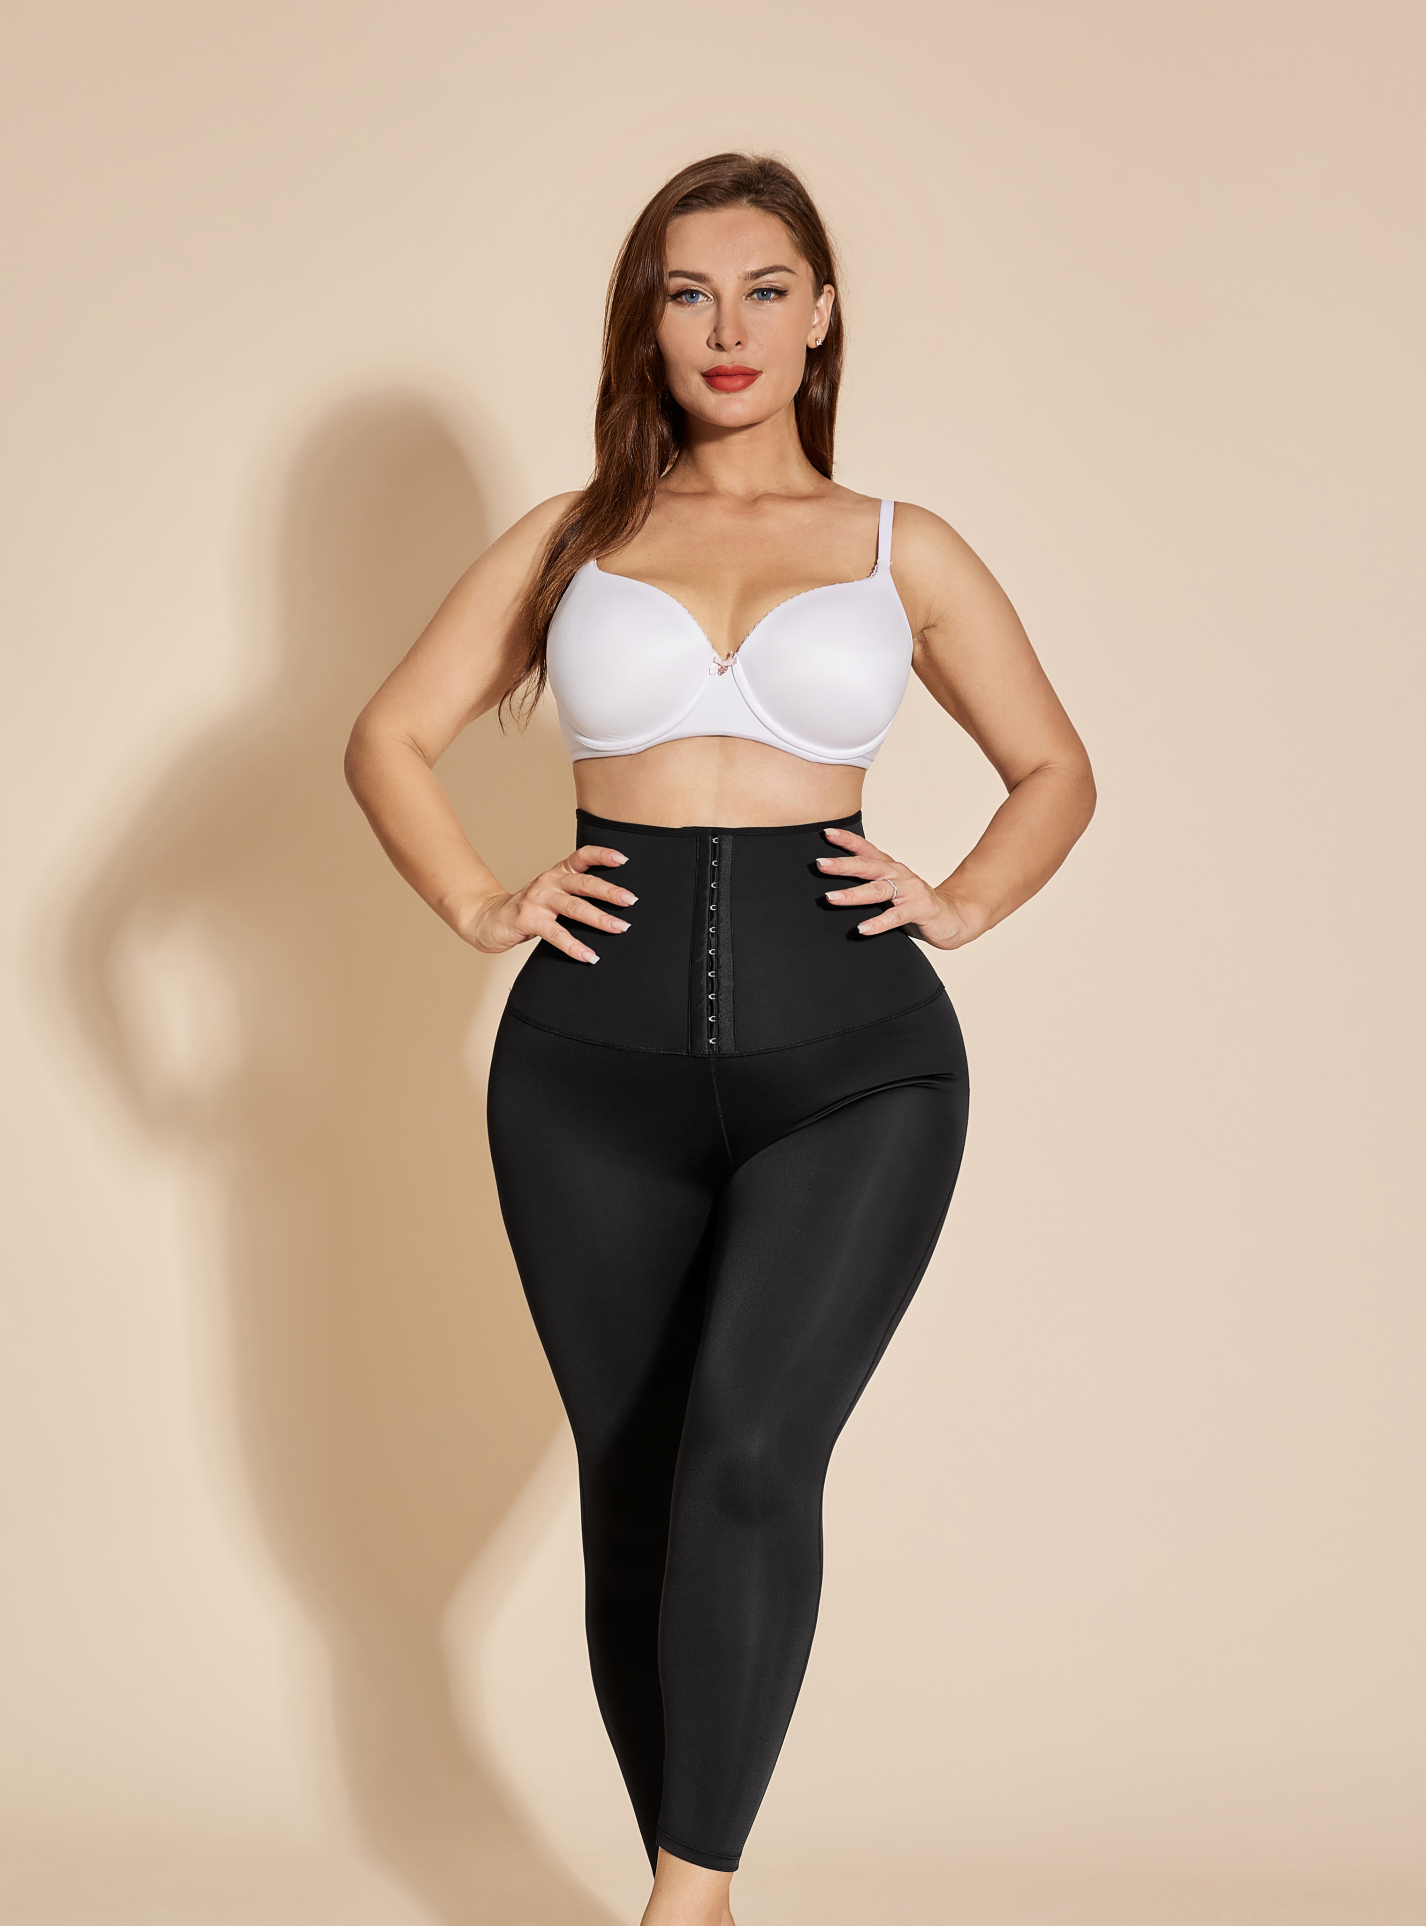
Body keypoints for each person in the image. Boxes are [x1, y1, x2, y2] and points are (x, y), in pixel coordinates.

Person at [345, 151, 1095, 1926]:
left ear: (822, 312)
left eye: (764, 289)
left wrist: (963, 901)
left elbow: (1053, 769)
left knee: (749, 1449)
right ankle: (696, 1885)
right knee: (637, 1488)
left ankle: (687, 1901)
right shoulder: (571, 537)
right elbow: (388, 736)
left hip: (856, 1064)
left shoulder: (902, 548)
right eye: (687, 292)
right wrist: (477, 903)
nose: (727, 327)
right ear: (647, 320)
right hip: (580, 1076)